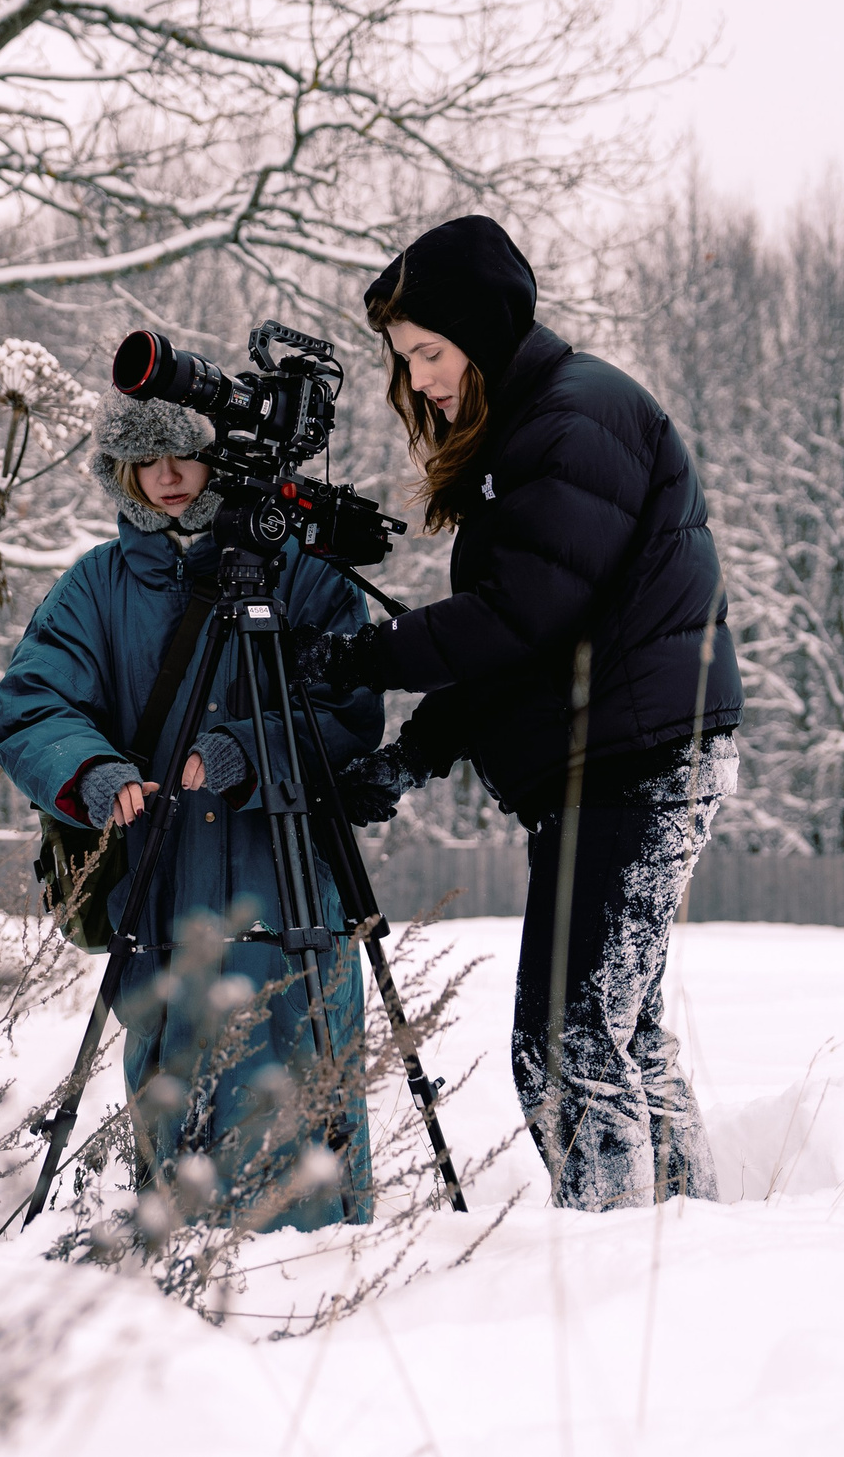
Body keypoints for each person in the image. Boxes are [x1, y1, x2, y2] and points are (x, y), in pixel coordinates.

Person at [296, 215, 743, 1212]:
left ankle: (618, 1268)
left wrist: (358, 652)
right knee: (616, 1035)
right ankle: (692, 1244)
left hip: (636, 764)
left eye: (429, 352)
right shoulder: (543, 426)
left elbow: (514, 616)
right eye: (404, 361)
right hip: (626, 759)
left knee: (567, 1039)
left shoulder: (572, 421)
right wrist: (412, 756)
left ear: (483, 334)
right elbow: (524, 638)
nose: (418, 380)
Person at [0, 396, 383, 1230]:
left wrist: (248, 749)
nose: (166, 476)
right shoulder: (97, 583)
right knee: (177, 1094)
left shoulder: (300, 574)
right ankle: (188, 1299)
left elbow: (347, 709)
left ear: (223, 458)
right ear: (120, 471)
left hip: (292, 893)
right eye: (145, 459)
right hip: (162, 894)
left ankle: (328, 1286)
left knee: (303, 1079)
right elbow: (32, 705)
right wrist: (91, 770)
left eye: (185, 455)